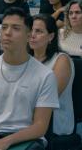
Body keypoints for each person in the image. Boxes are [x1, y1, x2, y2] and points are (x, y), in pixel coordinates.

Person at [0, 7, 59, 150]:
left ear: (28, 35)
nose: (7, 33)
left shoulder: (45, 75)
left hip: (26, 139)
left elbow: (40, 126)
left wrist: (7, 141)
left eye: (16, 28)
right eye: (5, 27)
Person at [29, 14, 77, 148]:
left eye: (38, 31)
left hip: (53, 123)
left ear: (50, 36)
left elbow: (49, 98)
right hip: (25, 118)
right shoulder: (25, 59)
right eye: (30, 30)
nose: (32, 35)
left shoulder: (61, 60)